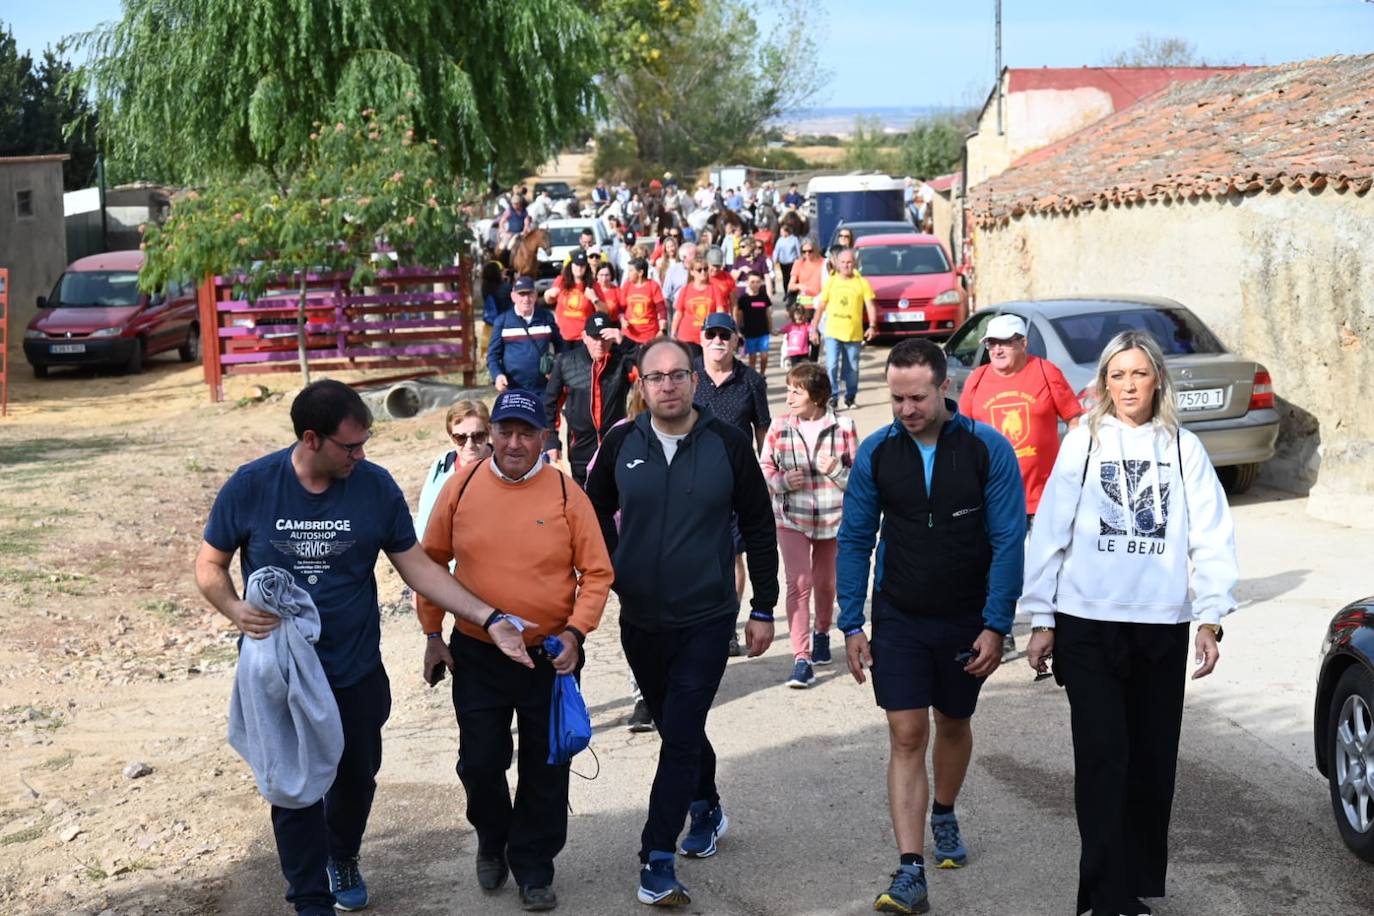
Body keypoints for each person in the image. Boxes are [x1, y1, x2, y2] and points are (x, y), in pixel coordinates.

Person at [195, 380, 532, 916]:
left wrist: (488, 618)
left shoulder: (373, 487)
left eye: (364, 442)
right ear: (311, 439)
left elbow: (419, 567)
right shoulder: (253, 486)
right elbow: (209, 565)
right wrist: (234, 609)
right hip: (283, 672)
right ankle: (309, 899)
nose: (360, 455)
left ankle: (343, 854)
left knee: (355, 778)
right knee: (296, 787)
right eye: (350, 446)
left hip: (354, 667)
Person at [1022, 331, 1236, 916]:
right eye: (1117, 375)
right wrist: (1041, 616)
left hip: (1160, 626)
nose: (1129, 386)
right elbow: (1051, 531)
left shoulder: (1183, 447)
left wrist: (1210, 617)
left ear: (1157, 379)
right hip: (1087, 623)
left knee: (1150, 761)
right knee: (1102, 756)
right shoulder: (1083, 443)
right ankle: (1103, 896)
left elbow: (1212, 535)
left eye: (1139, 374)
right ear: (1104, 383)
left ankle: (1133, 886)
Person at [584, 338, 778, 908]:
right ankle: (706, 803)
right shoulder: (621, 442)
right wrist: (615, 567)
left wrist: (762, 605)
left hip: (707, 617)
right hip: (641, 618)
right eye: (656, 377)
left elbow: (759, 523)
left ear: (695, 380)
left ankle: (656, 858)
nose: (667, 385)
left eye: (677, 375)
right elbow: (592, 510)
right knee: (677, 726)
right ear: (641, 385)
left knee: (683, 728)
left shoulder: (728, 443)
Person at [836, 339, 1025, 915]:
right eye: (896, 399)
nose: (906, 409)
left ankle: (944, 810)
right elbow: (855, 538)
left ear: (945, 387)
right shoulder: (876, 453)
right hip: (900, 614)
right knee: (906, 733)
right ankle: (910, 870)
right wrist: (851, 621)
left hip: (967, 615)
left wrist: (996, 624)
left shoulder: (988, 449)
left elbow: (1008, 540)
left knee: (954, 721)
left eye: (917, 397)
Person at [418, 389, 613, 913]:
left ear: (544, 438)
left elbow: (597, 573)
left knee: (545, 768)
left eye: (526, 433)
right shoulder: (460, 488)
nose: (514, 443)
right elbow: (430, 564)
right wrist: (432, 634)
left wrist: (576, 634)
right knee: (480, 762)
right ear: (492, 433)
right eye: (505, 431)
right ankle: (492, 836)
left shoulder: (567, 493)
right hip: (478, 653)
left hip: (550, 656)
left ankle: (533, 866)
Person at [958, 313, 1084, 659]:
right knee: (996, 565)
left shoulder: (1045, 372)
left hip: (1044, 491)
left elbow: (1075, 419)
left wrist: (1076, 466)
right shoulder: (977, 379)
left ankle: (1055, 628)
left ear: (1023, 343)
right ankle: (999, 628)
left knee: (1052, 563)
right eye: (991, 344)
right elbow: (962, 433)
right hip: (995, 493)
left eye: (1005, 343)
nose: (997, 350)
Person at [759, 361, 858, 689]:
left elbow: (860, 480)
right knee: (798, 583)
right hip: (791, 518)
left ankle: (822, 633)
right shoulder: (779, 426)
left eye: (796, 392)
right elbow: (765, 467)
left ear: (816, 396)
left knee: (825, 583)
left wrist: (836, 471)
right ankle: (801, 659)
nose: (788, 398)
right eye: (788, 391)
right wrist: (783, 481)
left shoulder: (844, 427)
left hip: (833, 519)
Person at [543, 313, 639, 487]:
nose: (599, 344)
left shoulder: (622, 361)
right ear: (584, 337)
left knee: (616, 498)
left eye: (604, 338)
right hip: (580, 449)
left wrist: (626, 343)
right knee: (584, 498)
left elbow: (650, 367)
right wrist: (551, 440)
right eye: (594, 338)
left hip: (616, 446)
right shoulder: (566, 362)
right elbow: (550, 403)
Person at [810, 248, 876, 410]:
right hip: (833, 332)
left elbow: (870, 305)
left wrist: (872, 326)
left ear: (855, 264)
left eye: (849, 262)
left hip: (853, 334)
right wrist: (814, 328)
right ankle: (832, 397)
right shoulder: (831, 282)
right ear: (837, 264)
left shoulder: (862, 282)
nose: (846, 265)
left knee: (852, 368)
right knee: (831, 365)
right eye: (843, 262)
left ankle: (850, 397)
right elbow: (821, 306)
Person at [489, 276, 563, 394]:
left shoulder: (546, 317)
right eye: (521, 294)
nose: (526, 299)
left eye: (529, 294)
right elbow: (493, 355)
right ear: (513, 297)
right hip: (513, 388)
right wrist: (497, 375)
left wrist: (556, 368)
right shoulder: (502, 321)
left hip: (543, 389)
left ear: (535, 295)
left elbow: (561, 345)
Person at [670, 256, 729, 355]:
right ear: (692, 272)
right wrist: (673, 332)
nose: (703, 272)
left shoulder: (714, 289)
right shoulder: (685, 289)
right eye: (699, 270)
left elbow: (720, 310)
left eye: (705, 269)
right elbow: (678, 313)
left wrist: (721, 330)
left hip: (708, 335)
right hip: (688, 336)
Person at [546, 251, 602, 342]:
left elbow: (604, 312)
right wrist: (548, 294)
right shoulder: (561, 281)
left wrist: (594, 299)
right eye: (576, 265)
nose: (579, 268)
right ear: (571, 265)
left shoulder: (593, 285)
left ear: (586, 267)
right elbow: (549, 301)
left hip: (583, 336)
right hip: (562, 335)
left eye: (582, 266)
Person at [616, 257, 668, 344]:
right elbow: (621, 309)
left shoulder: (653, 286)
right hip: (629, 336)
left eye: (631, 271)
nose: (628, 274)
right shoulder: (627, 285)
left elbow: (661, 309)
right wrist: (622, 320)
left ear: (640, 272)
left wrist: (662, 330)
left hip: (649, 336)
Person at [734, 270, 774, 377]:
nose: (755, 284)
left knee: (764, 355)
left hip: (763, 331)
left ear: (761, 283)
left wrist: (771, 328)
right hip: (750, 332)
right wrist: (739, 330)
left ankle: (762, 374)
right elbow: (739, 316)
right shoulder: (743, 299)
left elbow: (768, 314)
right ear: (747, 282)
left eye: (757, 282)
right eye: (752, 282)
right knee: (752, 357)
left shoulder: (764, 296)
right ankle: (753, 377)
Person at [479, 262, 512, 363]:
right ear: (497, 273)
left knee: (492, 352)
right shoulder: (506, 288)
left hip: (490, 324)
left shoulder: (484, 288)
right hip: (505, 323)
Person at [772, 222, 801, 299]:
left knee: (792, 277)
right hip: (783, 262)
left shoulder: (794, 239)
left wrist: (800, 259)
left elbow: (798, 249)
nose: (781, 233)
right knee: (785, 278)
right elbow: (776, 250)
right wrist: (775, 259)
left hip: (792, 262)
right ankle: (786, 293)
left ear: (786, 232)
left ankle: (793, 293)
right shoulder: (780, 240)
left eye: (782, 231)